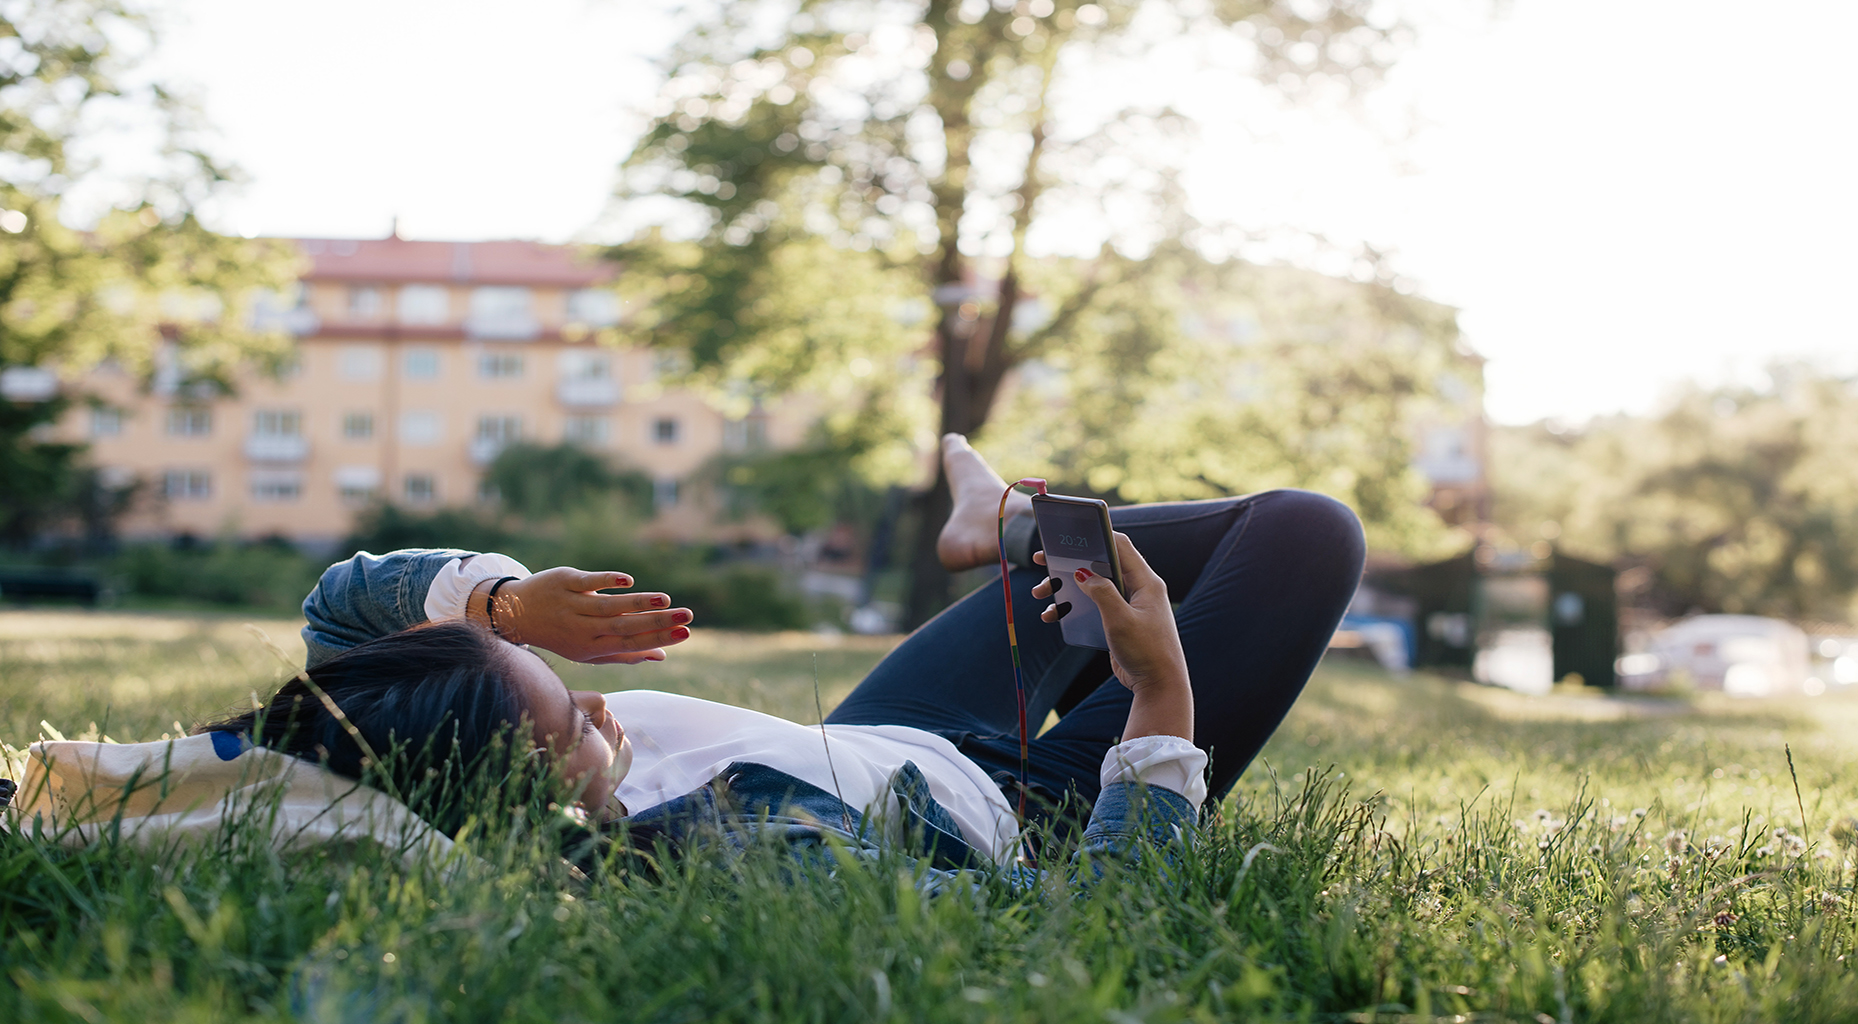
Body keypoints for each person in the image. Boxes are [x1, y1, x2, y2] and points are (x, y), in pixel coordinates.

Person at [207, 435, 1365, 874]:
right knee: (1306, 531)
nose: (606, 714)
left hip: (885, 728)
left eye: (580, 695)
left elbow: (341, 616)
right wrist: (1160, 692)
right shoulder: (737, 855)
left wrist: (501, 608)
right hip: (1030, 806)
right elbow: (1105, 911)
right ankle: (1012, 535)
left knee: (1166, 540)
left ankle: (1001, 524)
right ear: (516, 806)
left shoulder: (399, 738)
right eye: (571, 728)